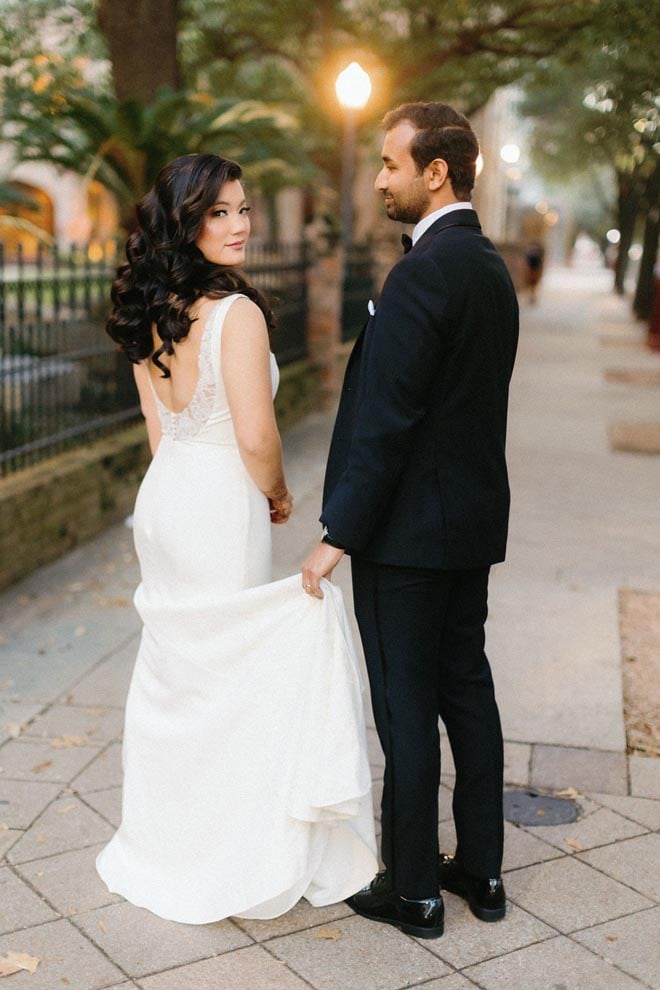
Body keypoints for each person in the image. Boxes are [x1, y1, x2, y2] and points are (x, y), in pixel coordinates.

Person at [95, 153, 377, 924]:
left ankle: (168, 839)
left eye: (244, 209)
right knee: (227, 675)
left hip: (169, 495)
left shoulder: (152, 309)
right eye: (220, 212)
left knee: (182, 670)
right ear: (186, 221)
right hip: (221, 502)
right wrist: (279, 495)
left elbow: (160, 428)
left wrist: (186, 491)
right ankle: (219, 850)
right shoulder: (236, 314)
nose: (242, 224)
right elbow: (256, 434)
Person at [302, 103, 519, 939]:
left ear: (436, 171)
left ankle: (418, 892)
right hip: (468, 527)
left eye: (391, 163)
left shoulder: (425, 272)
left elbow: (389, 423)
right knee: (467, 690)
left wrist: (335, 538)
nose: (380, 177)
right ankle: (484, 872)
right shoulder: (489, 265)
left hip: (407, 538)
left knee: (406, 705)